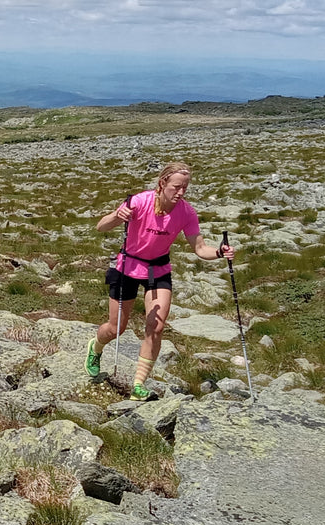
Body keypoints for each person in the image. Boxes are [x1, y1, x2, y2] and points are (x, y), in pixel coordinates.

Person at [86, 162, 234, 400]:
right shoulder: (139, 201)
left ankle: (138, 384)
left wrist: (219, 252)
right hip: (128, 267)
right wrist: (117, 215)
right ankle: (96, 347)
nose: (181, 192)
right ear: (162, 183)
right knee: (116, 328)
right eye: (176, 186)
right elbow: (100, 226)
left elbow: (200, 248)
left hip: (159, 270)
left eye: (185, 187)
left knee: (156, 326)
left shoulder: (186, 212)